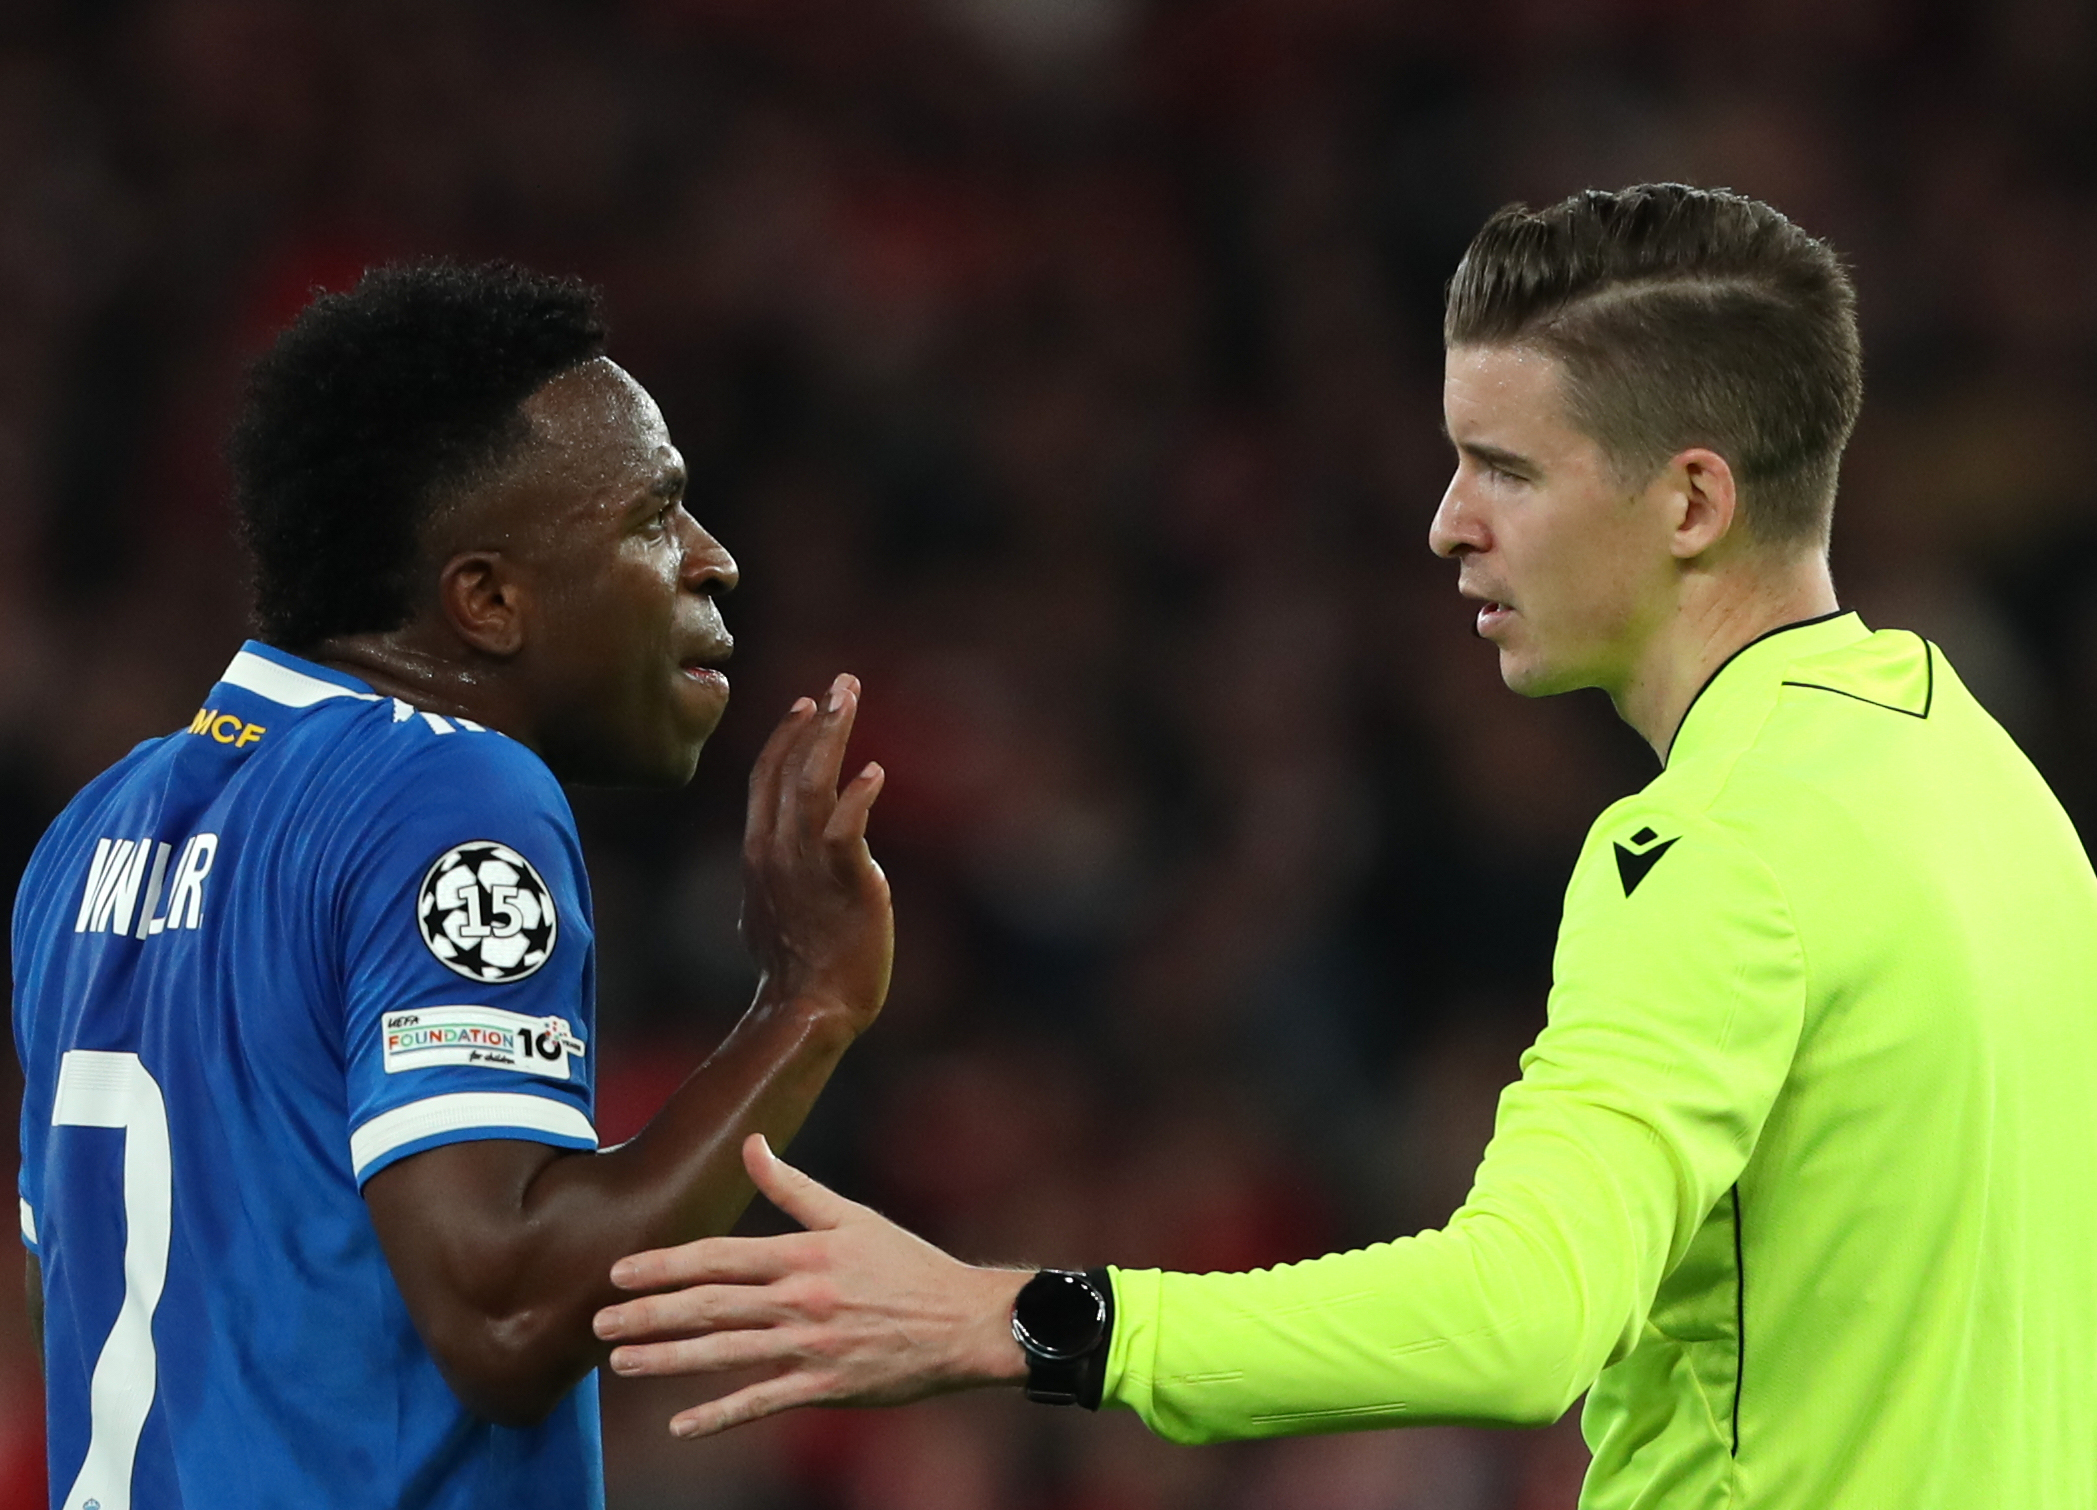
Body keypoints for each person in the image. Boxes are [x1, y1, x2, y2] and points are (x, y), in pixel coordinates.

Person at [590, 185, 2097, 1508]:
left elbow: (1521, 1318)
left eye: (1505, 467)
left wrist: (1006, 1316)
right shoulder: (1985, 782)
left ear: (1690, 498)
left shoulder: (1716, 844)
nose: (1447, 523)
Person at [11, 261, 894, 1510]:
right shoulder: (446, 792)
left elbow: (101, 1290)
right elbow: (506, 1309)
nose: (715, 560)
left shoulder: (93, 832)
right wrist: (806, 1004)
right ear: (484, 598)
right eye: (655, 516)